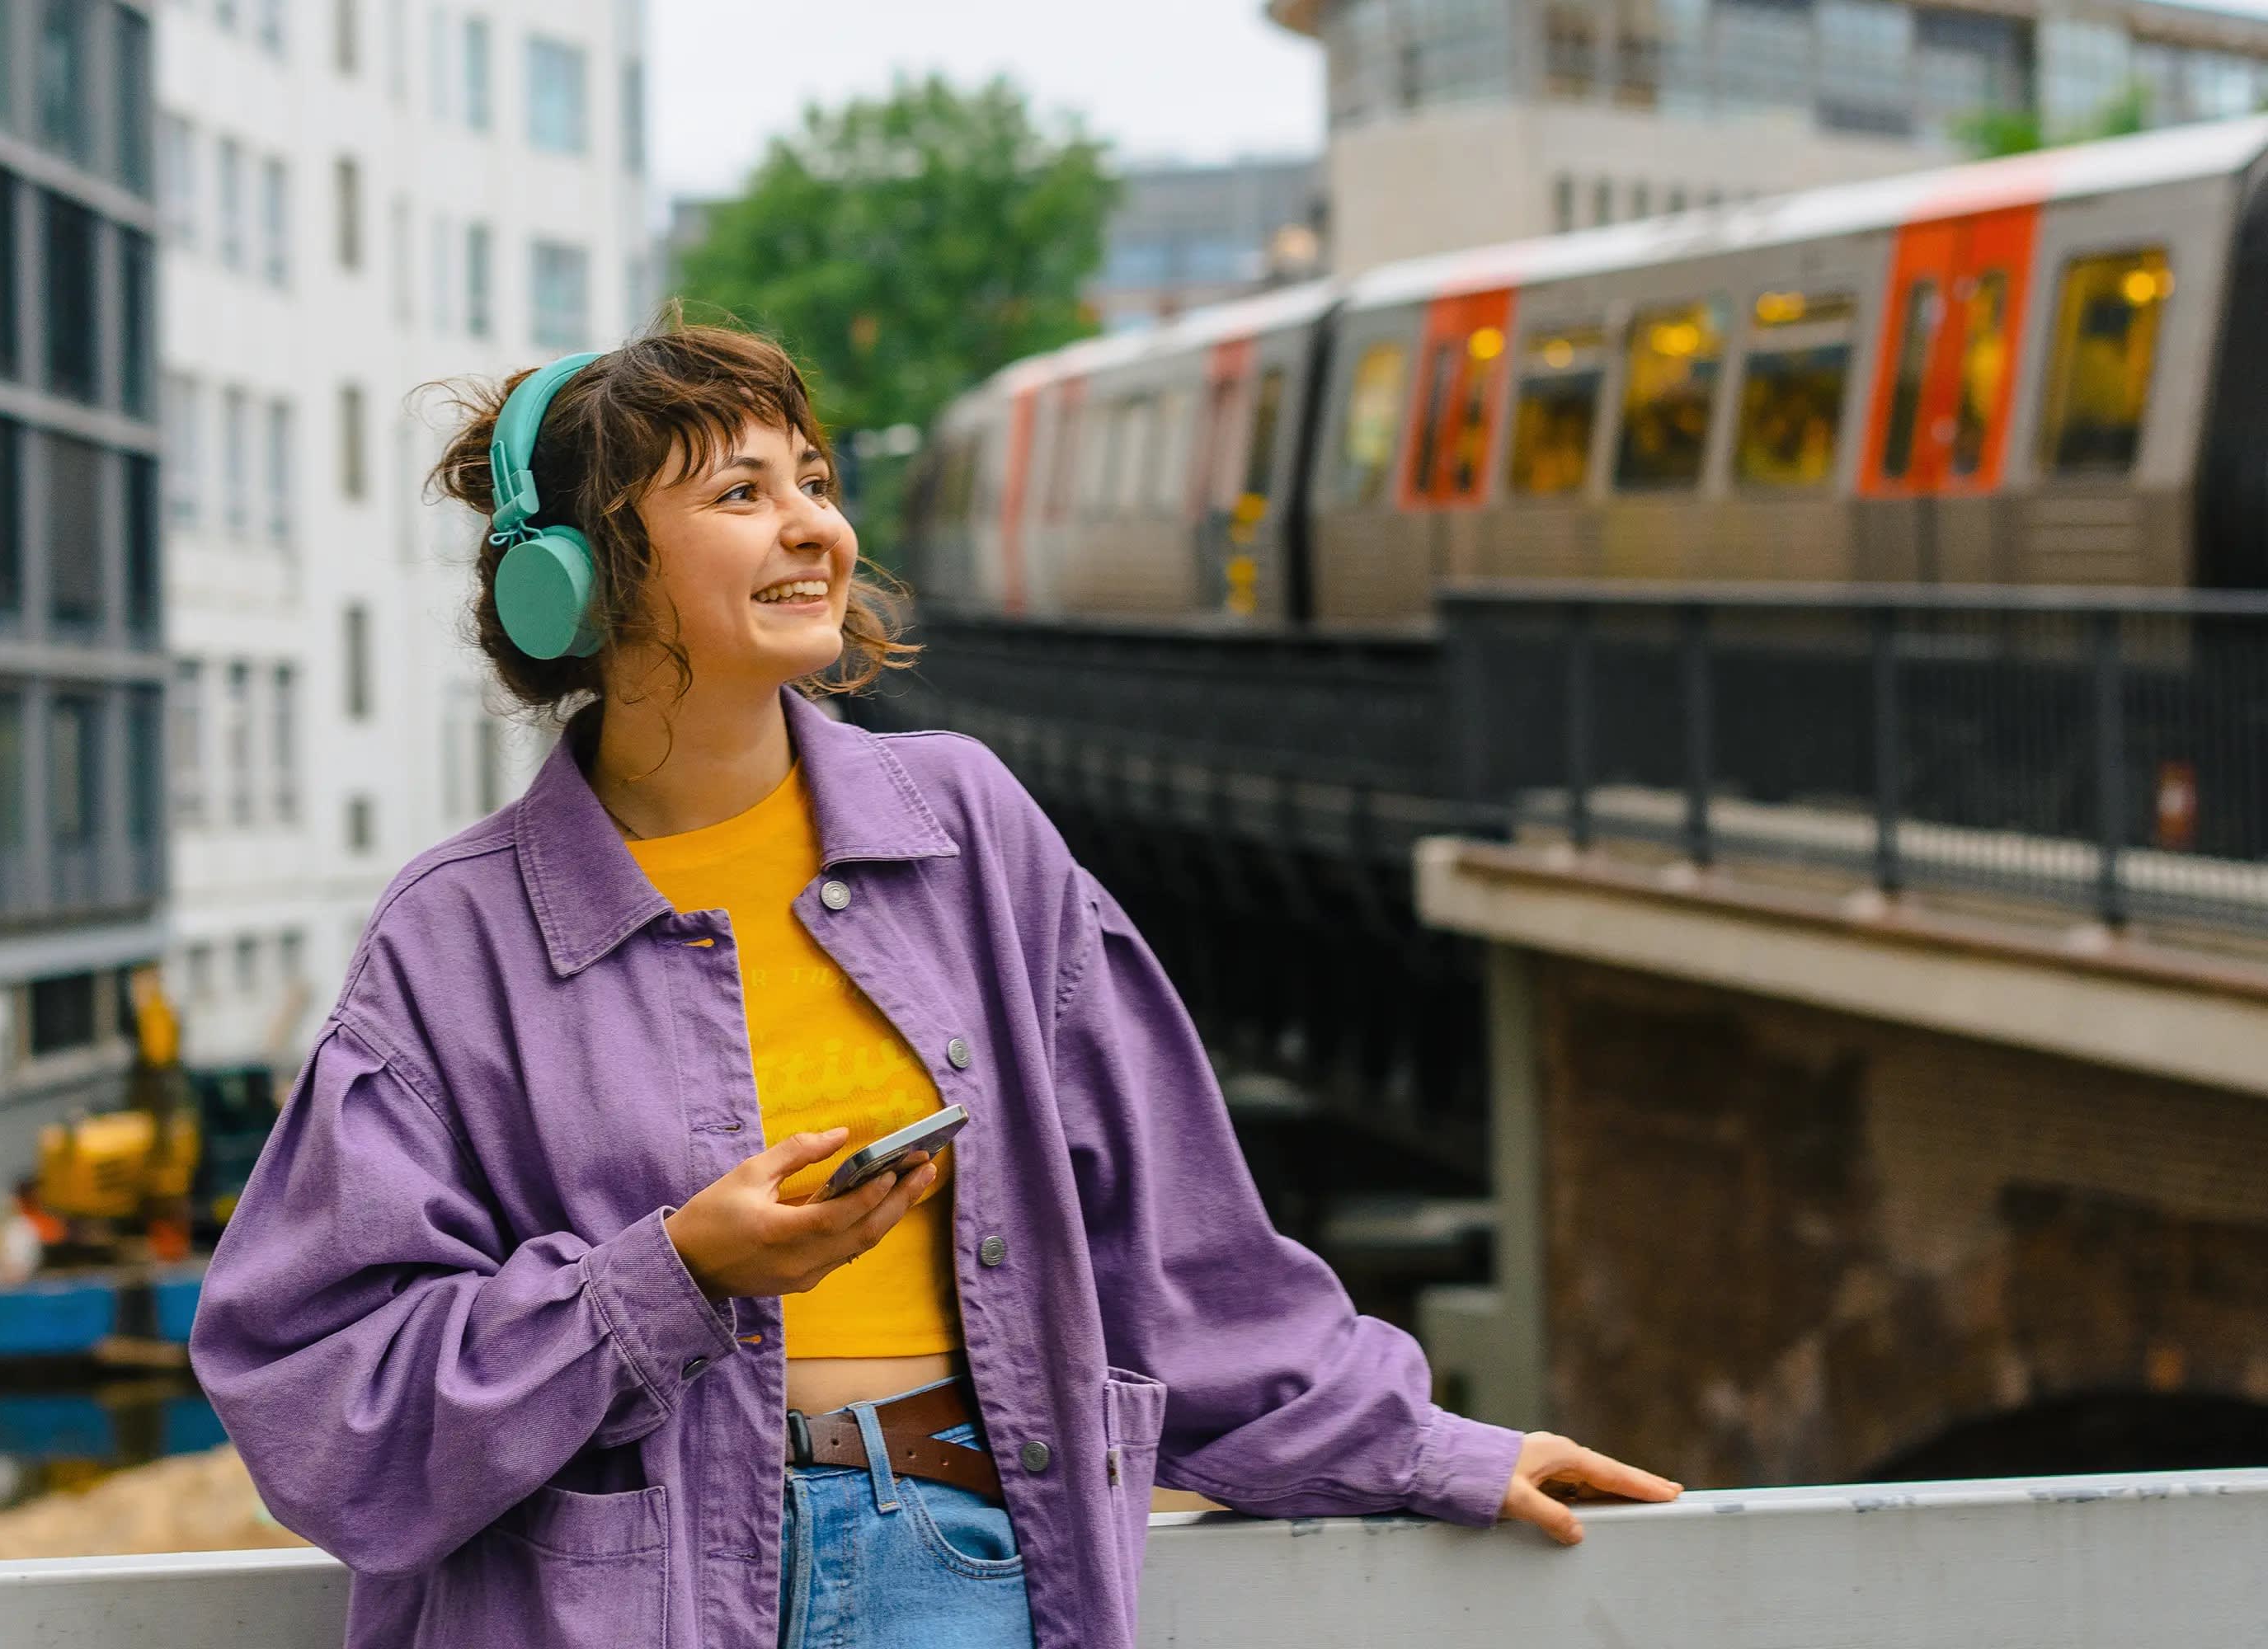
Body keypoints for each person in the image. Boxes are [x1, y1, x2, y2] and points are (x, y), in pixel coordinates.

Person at [191, 319, 1678, 1648]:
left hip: (962, 1577)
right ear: (573, 577)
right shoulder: (454, 941)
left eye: (816, 481)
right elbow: (318, 1403)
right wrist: (672, 1277)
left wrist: (1429, 1450)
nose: (814, 530)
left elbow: (1170, 1246)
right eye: (739, 493)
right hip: (597, 1609)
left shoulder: (967, 830)